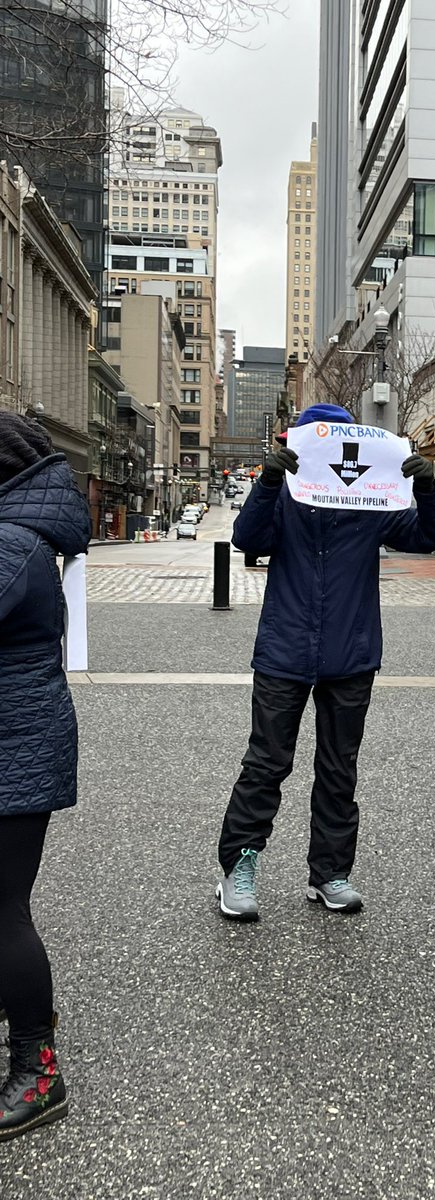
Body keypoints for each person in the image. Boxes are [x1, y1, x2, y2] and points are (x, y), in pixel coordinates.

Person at [216, 403, 435, 920]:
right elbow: (248, 540)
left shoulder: (371, 499)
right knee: (266, 763)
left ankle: (329, 873)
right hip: (285, 650)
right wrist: (269, 482)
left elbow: (428, 538)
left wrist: (428, 487)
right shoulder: (286, 494)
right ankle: (238, 866)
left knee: (339, 767)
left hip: (351, 652)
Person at [0, 412, 91, 1140]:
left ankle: (38, 1070)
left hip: (15, 752)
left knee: (3, 912)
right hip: (17, 741)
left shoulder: (10, 544)